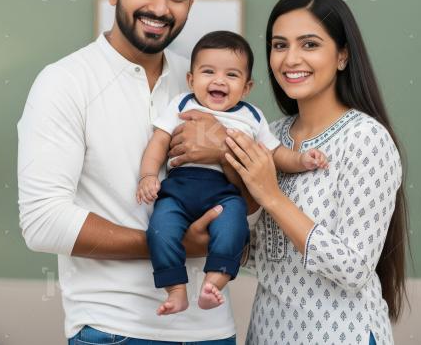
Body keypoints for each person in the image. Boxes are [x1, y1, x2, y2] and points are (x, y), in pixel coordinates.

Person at [17, 0, 242, 344]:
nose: (159, 7)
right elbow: (43, 223)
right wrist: (173, 243)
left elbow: (248, 202)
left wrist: (225, 158)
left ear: (191, 3)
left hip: (214, 332)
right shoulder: (64, 82)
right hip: (115, 330)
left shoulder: (203, 82)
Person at [220, 0, 410, 345]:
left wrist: (272, 196)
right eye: (280, 45)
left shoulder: (365, 138)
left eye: (309, 44)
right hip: (267, 334)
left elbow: (353, 269)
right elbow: (254, 257)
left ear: (342, 55)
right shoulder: (270, 136)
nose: (291, 59)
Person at [137, 31, 327, 316]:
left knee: (234, 229)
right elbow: (159, 142)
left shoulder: (251, 116)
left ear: (246, 87)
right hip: (177, 191)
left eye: (232, 75)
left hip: (225, 194)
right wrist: (148, 176)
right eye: (208, 72)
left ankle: (214, 281)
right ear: (191, 79)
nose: (219, 80)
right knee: (160, 229)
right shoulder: (182, 104)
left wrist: (301, 159)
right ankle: (175, 289)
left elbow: (275, 154)